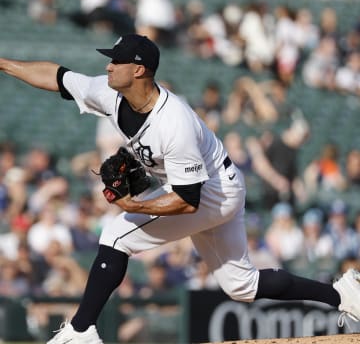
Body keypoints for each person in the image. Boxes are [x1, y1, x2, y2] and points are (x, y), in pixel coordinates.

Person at [0, 33, 359, 343]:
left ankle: (80, 331)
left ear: (138, 70)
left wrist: (134, 207)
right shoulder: (108, 92)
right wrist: (4, 63)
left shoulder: (174, 122)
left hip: (212, 191)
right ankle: (341, 294)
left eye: (117, 62)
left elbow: (190, 201)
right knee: (242, 286)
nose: (109, 67)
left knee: (116, 235)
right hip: (215, 186)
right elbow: (58, 77)